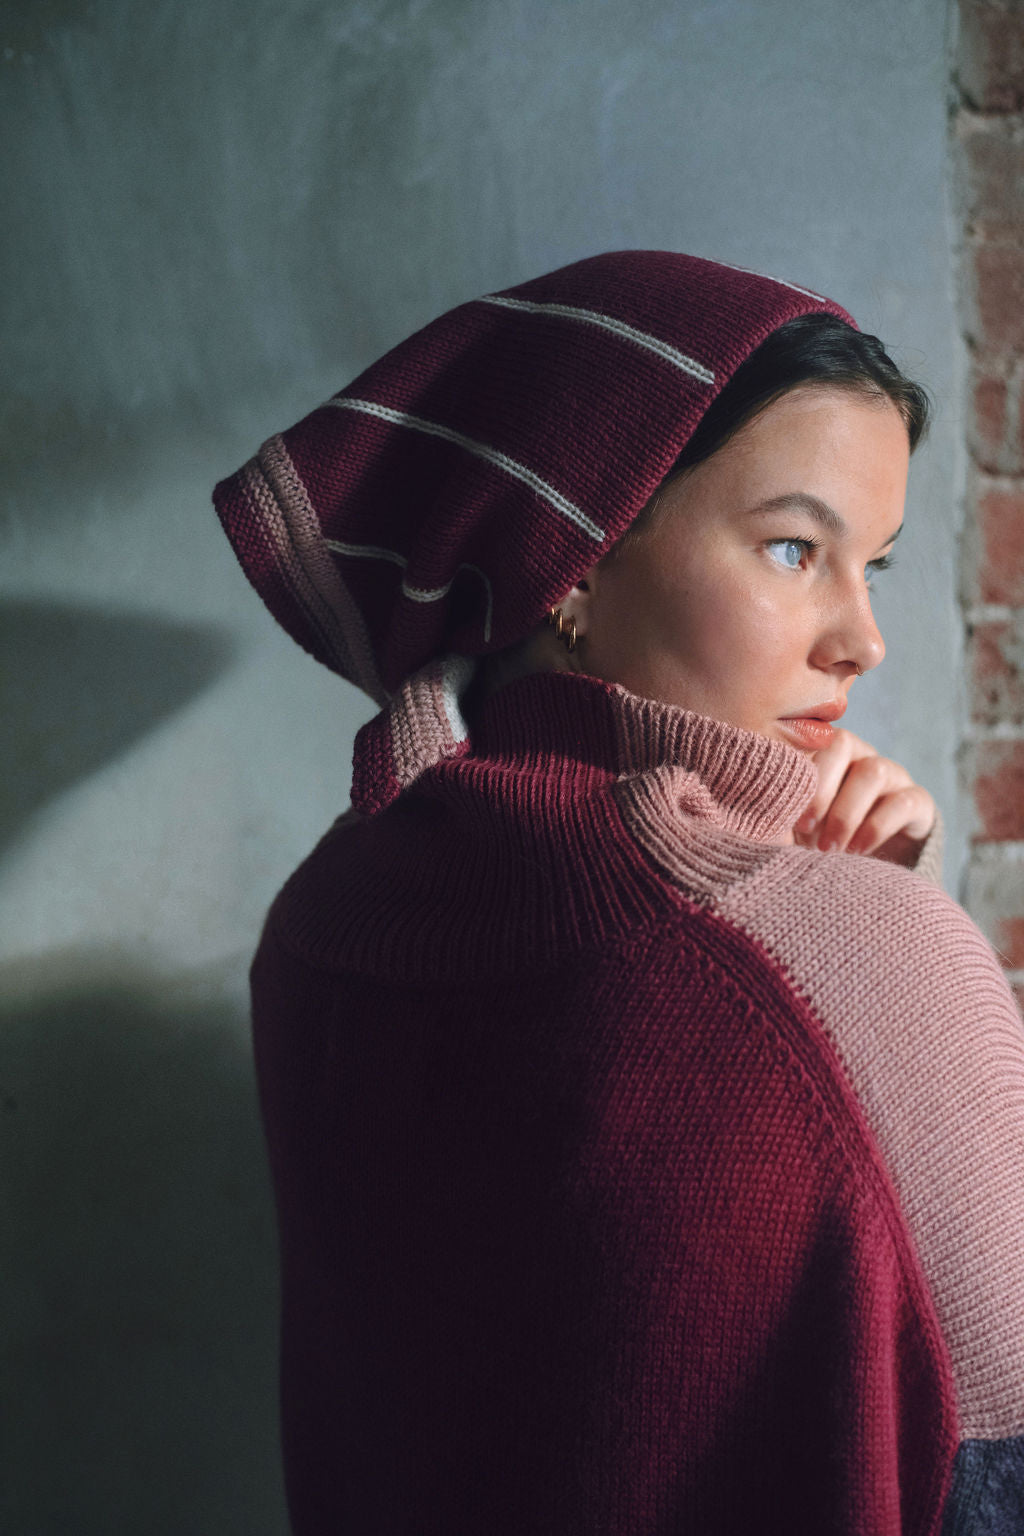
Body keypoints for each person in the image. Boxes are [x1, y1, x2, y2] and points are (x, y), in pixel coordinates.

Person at [212, 250, 1024, 1534]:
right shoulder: (871, 964)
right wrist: (867, 939)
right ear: (573, 569)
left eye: (875, 564)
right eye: (792, 548)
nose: (859, 639)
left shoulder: (321, 927)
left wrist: (816, 893)